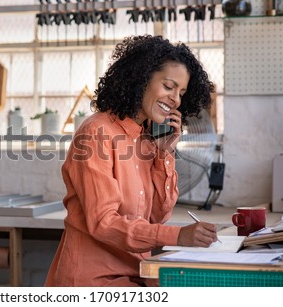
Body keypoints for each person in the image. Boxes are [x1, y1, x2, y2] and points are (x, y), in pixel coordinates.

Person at [45, 35, 217, 287]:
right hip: (93, 281)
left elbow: (158, 215)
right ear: (141, 79)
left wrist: (164, 153)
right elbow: (104, 223)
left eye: (181, 93)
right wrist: (178, 236)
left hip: (137, 273)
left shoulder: (147, 138)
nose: (176, 100)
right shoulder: (97, 132)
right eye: (168, 86)